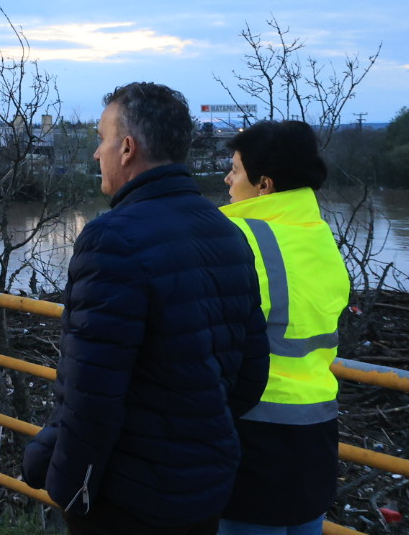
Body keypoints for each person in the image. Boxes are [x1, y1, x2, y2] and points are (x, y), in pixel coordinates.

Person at [23, 82, 269, 535]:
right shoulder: (227, 232)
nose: (97, 153)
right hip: (204, 487)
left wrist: (67, 487)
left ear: (128, 148)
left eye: (102, 139)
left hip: (128, 498)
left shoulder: (111, 238)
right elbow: (251, 376)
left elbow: (91, 394)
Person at [219, 121, 350, 535]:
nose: (227, 178)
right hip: (317, 432)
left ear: (264, 185)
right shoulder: (321, 236)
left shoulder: (236, 237)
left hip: (253, 432)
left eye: (236, 169)